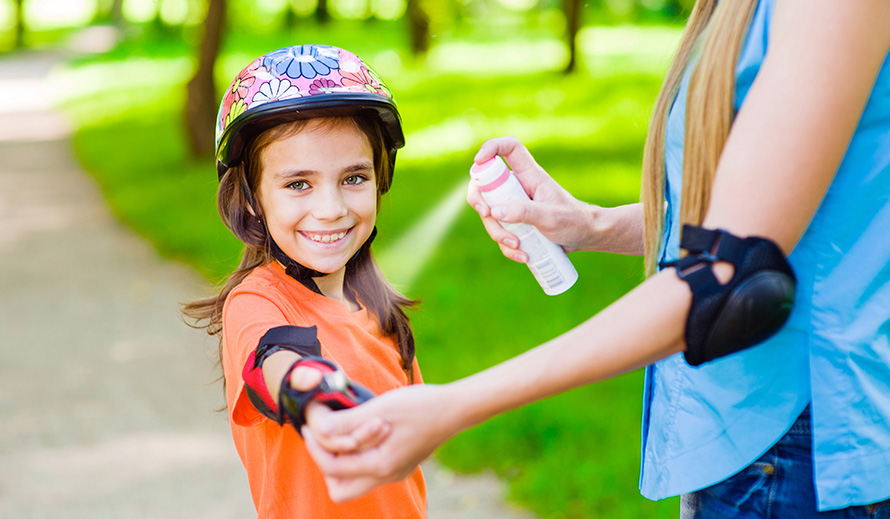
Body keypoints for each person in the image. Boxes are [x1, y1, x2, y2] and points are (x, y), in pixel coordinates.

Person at [300, 1, 890, 517]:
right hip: (741, 432)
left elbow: (727, 282)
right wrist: (590, 224)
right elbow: (761, 211)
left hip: (808, 448)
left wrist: (454, 405)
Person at [183, 44, 426, 518]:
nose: (332, 208)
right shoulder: (257, 301)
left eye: (354, 178)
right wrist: (310, 389)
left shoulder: (378, 310)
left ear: (381, 178)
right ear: (252, 198)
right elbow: (272, 358)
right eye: (299, 184)